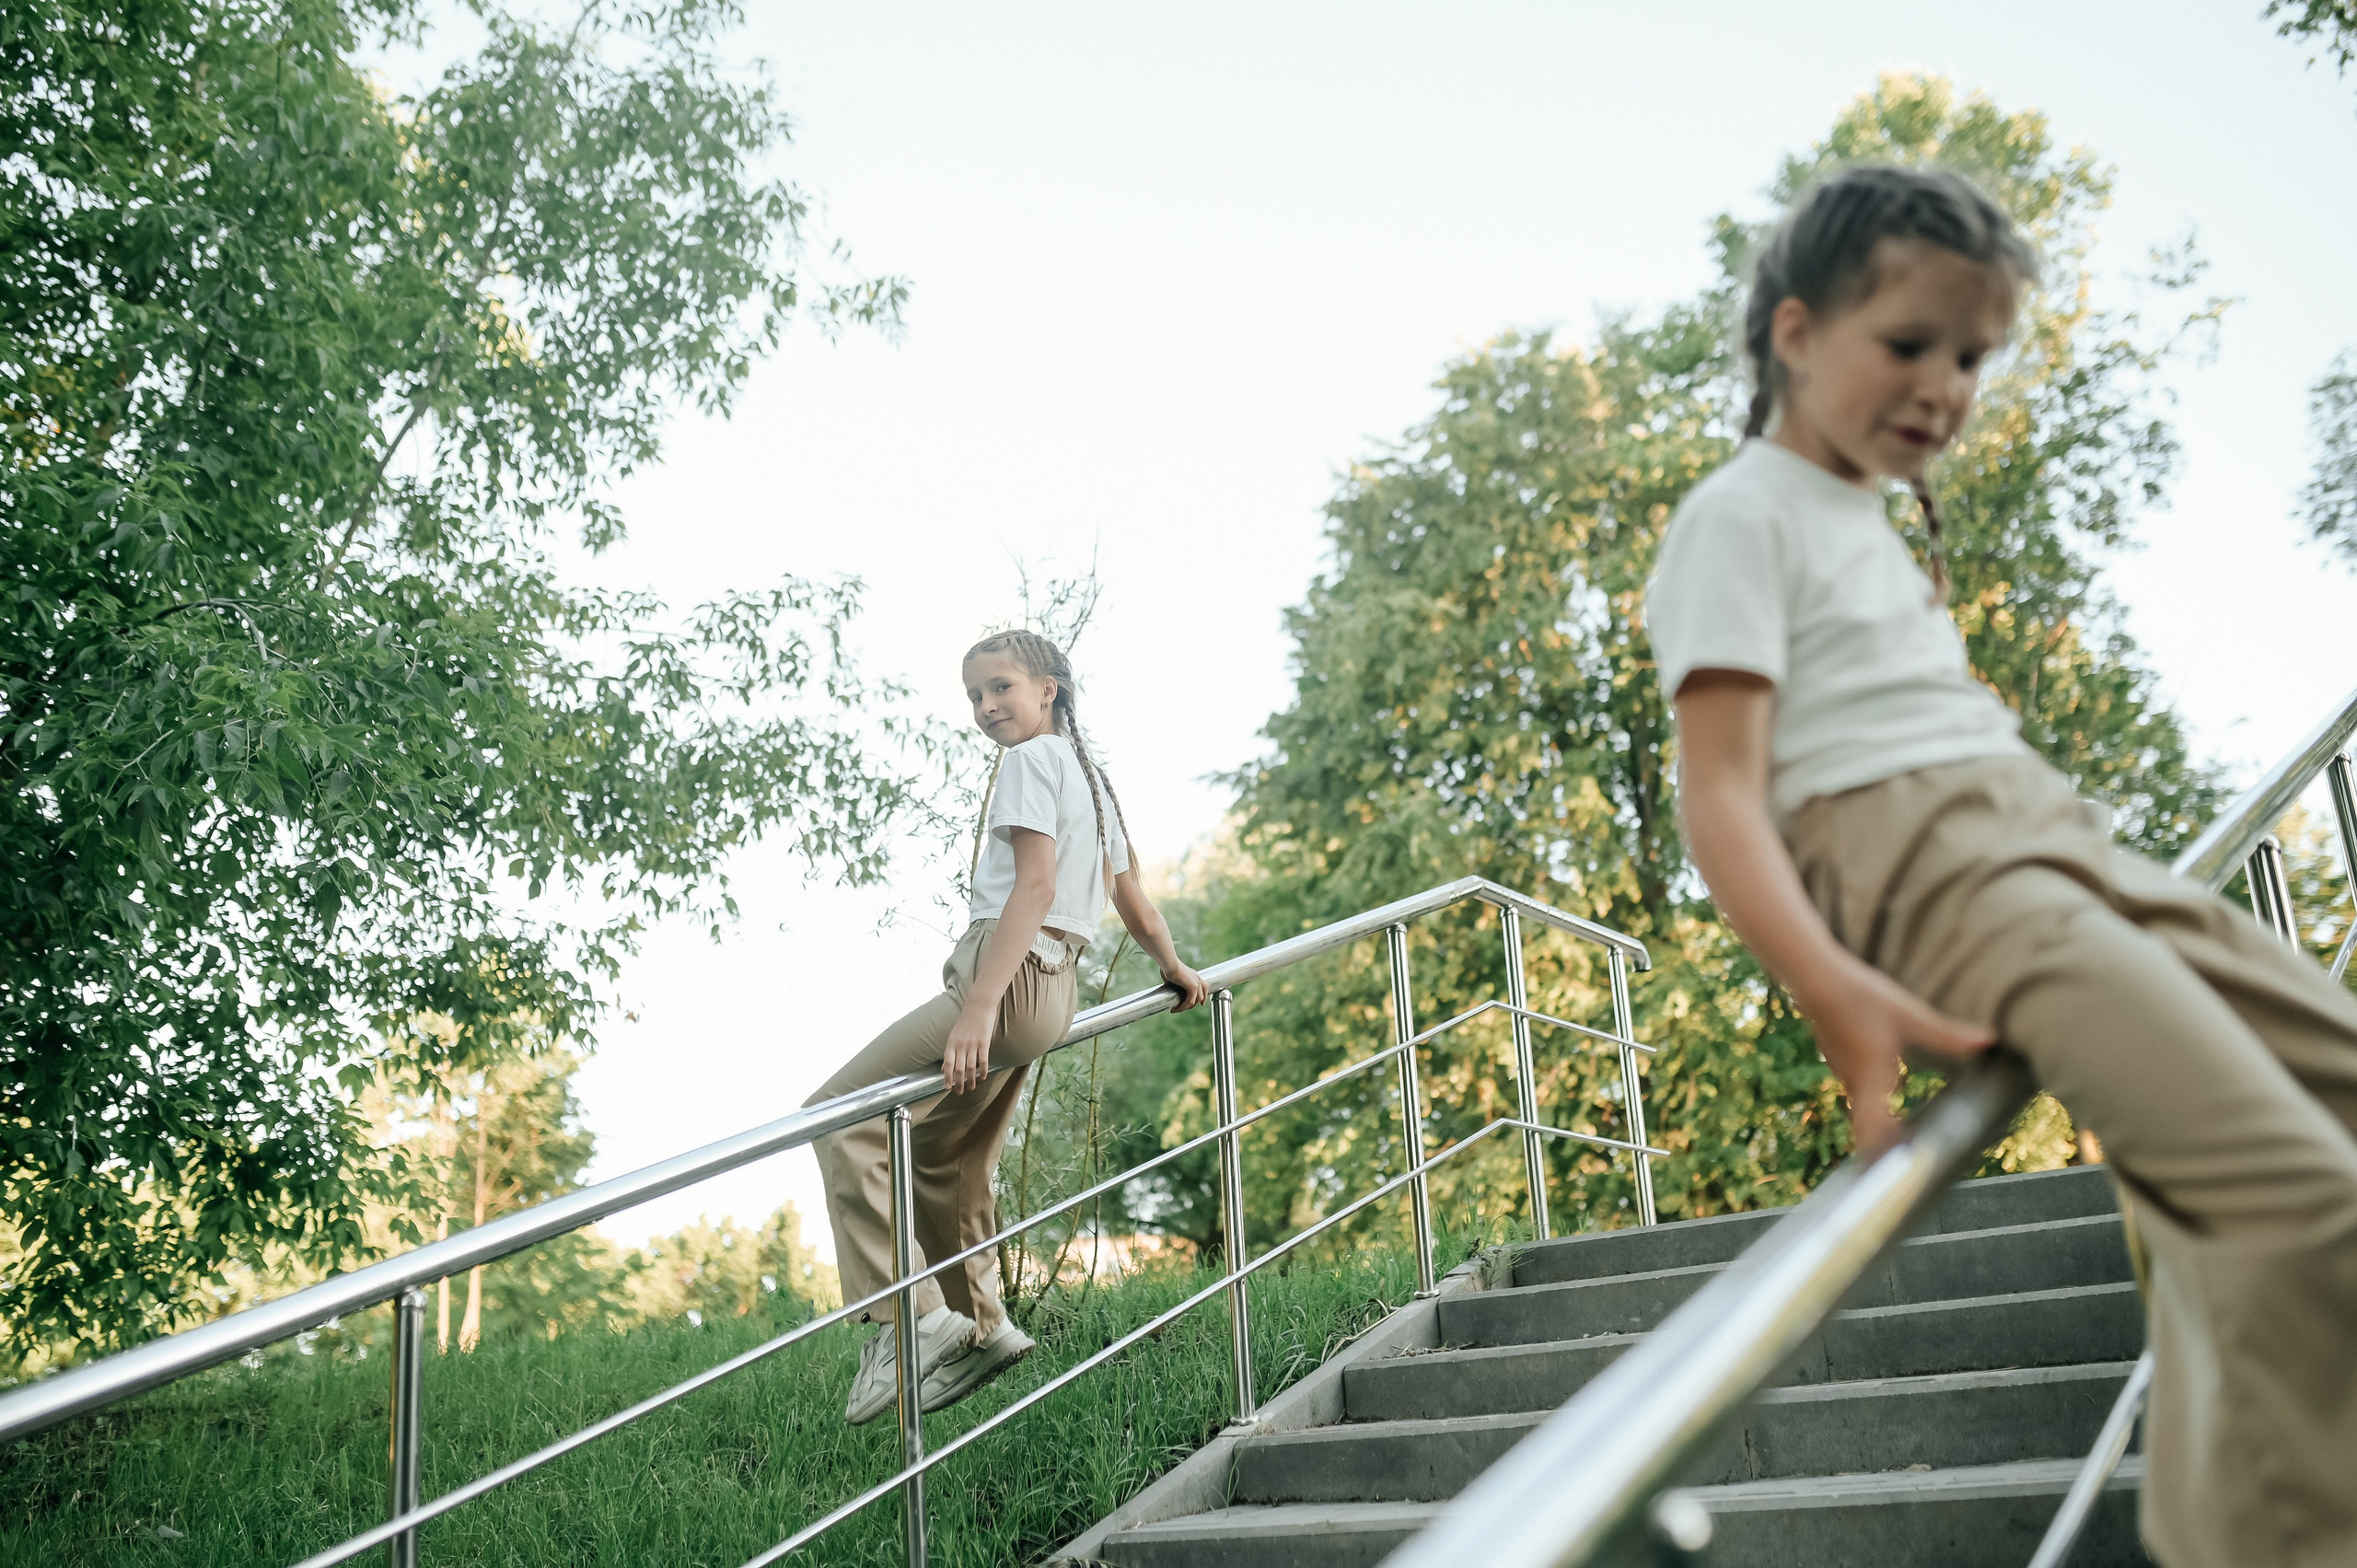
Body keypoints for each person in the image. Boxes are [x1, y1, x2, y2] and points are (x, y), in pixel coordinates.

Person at [1646, 163, 2357, 1567]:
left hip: (2062, 838)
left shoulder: (1872, 517)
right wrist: (1842, 994)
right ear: (1795, 332)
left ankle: (2226, 1492)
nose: (1946, 384)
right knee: (2302, 1199)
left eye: (1971, 355)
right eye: (1909, 343)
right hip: (1948, 874)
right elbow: (1722, 797)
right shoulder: (1740, 513)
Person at [805, 629, 1210, 1426]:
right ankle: (983, 1328)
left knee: (840, 1113)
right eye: (975, 696)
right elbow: (1131, 897)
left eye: (1001, 689)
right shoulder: (1090, 778)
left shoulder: (1029, 763)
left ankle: (909, 1324)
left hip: (1007, 975)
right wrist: (1175, 964)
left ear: (1047, 689)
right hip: (1056, 990)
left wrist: (980, 1008)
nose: (988, 708)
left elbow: (1034, 886)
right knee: (943, 1153)